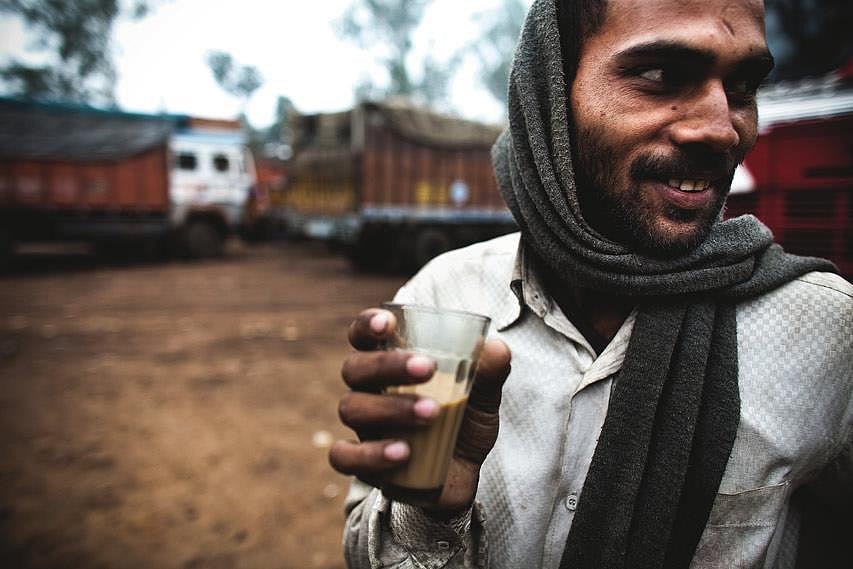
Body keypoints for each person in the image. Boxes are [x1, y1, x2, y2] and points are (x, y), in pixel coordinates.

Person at [329, 0, 853, 567]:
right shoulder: (443, 297)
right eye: (660, 75)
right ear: (549, 98)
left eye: (744, 84)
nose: (721, 130)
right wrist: (428, 514)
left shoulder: (827, 335)